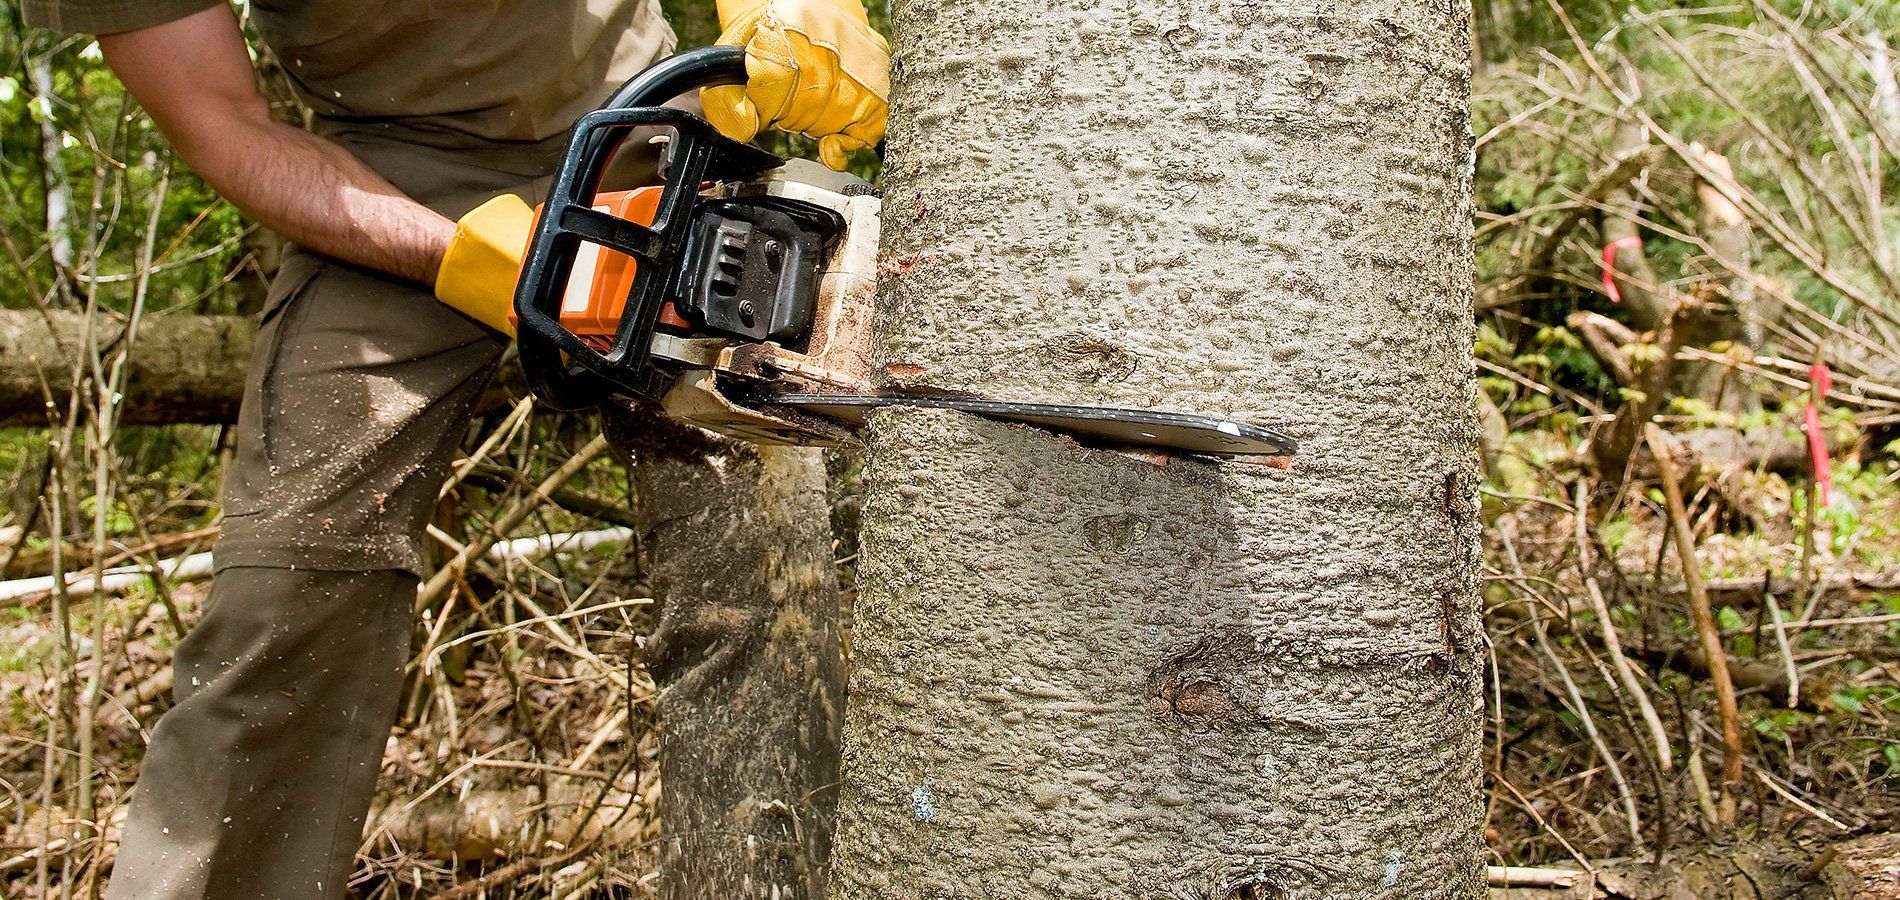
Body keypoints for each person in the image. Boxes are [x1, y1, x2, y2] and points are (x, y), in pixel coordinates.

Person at [18, 0, 888, 896]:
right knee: (294, 584)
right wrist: (466, 260)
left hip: (647, 129)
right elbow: (220, 123)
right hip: (384, 166)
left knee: (758, 570)